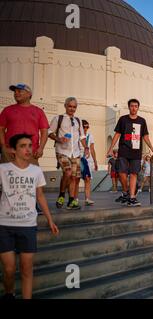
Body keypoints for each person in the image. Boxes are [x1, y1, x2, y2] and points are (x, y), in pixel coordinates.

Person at [0, 134, 59, 299]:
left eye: (30, 145)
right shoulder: (3, 169)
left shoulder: (36, 170)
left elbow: (40, 196)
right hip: (5, 224)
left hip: (28, 224)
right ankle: (9, 293)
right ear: (13, 150)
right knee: (9, 269)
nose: (28, 149)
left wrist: (49, 219)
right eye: (23, 146)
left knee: (26, 268)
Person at [106, 99, 153, 207]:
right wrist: (110, 148)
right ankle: (126, 192)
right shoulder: (123, 119)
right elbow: (117, 134)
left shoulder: (142, 121)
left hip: (136, 152)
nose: (134, 108)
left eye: (136, 106)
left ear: (138, 108)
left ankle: (131, 197)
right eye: (132, 106)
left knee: (134, 174)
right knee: (122, 172)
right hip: (124, 150)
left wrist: (152, 148)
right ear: (129, 107)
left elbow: (145, 136)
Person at [48, 97, 89, 210]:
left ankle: (71, 201)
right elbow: (49, 132)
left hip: (75, 153)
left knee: (74, 178)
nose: (72, 108)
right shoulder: (58, 118)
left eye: (74, 107)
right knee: (68, 172)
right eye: (70, 106)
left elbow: (82, 136)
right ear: (65, 106)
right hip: (62, 151)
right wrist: (58, 139)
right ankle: (61, 194)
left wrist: (86, 147)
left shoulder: (78, 121)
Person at [0, 83, 49, 166]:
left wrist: (41, 148)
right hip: (10, 152)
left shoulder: (38, 111)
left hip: (31, 153)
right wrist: (3, 147)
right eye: (15, 92)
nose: (16, 93)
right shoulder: (7, 110)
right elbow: (1, 129)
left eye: (19, 91)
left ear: (29, 94)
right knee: (7, 178)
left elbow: (44, 132)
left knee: (30, 178)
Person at [80, 120, 98, 206]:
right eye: (84, 127)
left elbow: (92, 149)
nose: (86, 129)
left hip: (88, 161)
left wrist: (95, 162)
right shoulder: (78, 135)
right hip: (78, 158)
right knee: (75, 179)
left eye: (87, 127)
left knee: (87, 179)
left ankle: (87, 198)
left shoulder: (90, 136)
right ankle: (74, 199)